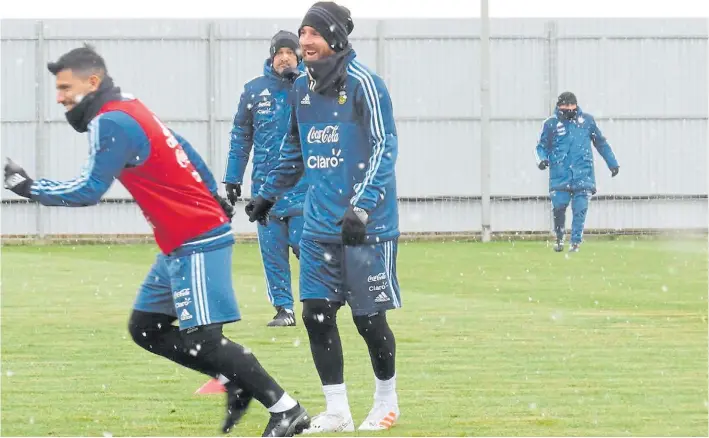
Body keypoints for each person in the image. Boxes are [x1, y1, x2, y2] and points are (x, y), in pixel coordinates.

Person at [3, 45, 310, 437]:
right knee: (145, 327)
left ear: (92, 81)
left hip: (196, 235)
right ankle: (233, 380)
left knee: (205, 339)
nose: (59, 97)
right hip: (178, 240)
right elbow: (179, 143)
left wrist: (29, 187)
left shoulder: (110, 121)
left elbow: (88, 189)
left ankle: (286, 410)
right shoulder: (127, 105)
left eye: (65, 87)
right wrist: (212, 189)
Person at [245, 2, 402, 432]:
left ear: (335, 39)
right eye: (302, 33)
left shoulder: (365, 84)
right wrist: (267, 195)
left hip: (365, 227)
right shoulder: (300, 89)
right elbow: (294, 150)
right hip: (318, 225)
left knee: (369, 320)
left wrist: (363, 205)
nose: (305, 41)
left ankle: (387, 402)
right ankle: (337, 410)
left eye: (313, 33)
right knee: (316, 313)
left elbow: (384, 146)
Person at [223, 30, 308, 327]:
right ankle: (284, 309)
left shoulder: (311, 87)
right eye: (279, 52)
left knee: (306, 248)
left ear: (299, 55)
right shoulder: (254, 90)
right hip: (264, 191)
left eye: (290, 52)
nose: (284, 57)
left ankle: (318, 303)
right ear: (271, 57)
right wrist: (232, 177)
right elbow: (241, 136)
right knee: (272, 254)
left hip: (302, 188)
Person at [535, 91, 620, 252]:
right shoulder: (551, 124)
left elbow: (600, 143)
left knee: (580, 209)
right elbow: (541, 146)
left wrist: (612, 163)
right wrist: (542, 160)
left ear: (576, 105)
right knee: (559, 207)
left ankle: (575, 242)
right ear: (559, 106)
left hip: (583, 174)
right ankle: (560, 237)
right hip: (560, 175)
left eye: (571, 105)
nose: (568, 108)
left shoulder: (587, 121)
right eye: (565, 105)